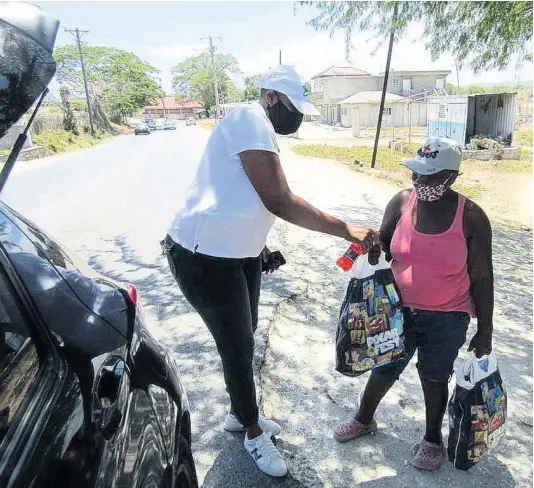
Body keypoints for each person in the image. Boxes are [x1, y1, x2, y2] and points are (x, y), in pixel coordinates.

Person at [165, 65, 380, 477]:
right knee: (239, 345)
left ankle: (237, 410)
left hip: (240, 254)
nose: (296, 118)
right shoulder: (249, 119)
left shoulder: (256, 125)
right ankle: (251, 430)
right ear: (271, 98)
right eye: (293, 108)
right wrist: (346, 230)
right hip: (205, 256)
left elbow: (235, 190)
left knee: (245, 333)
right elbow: (279, 199)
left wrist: (260, 247)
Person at [333, 137, 494, 471]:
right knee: (385, 366)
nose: (420, 182)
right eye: (416, 173)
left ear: (452, 177)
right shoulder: (402, 202)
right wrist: (373, 251)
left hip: (448, 316)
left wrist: (486, 330)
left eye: (430, 176)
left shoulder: (472, 217)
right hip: (397, 310)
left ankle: (432, 438)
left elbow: (482, 277)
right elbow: (386, 245)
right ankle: (364, 419)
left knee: (434, 376)